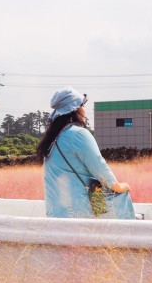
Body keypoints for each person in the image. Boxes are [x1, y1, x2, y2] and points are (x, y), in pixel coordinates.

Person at [37, 86, 135, 219]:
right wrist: (120, 187)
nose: (84, 109)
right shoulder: (78, 135)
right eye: (82, 105)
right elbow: (100, 169)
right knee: (123, 195)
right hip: (79, 212)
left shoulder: (52, 139)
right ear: (75, 109)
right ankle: (125, 238)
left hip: (55, 213)